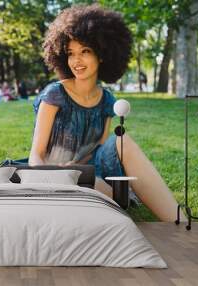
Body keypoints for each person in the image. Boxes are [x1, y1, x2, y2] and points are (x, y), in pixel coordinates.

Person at [29, 4, 185, 222]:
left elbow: (99, 150)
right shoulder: (54, 95)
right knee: (97, 190)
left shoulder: (107, 100)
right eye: (71, 53)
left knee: (122, 140)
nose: (76, 61)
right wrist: (55, 175)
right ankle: (118, 197)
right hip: (56, 174)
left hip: (91, 172)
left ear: (101, 54)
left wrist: (86, 170)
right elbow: (35, 155)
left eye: (85, 51)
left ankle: (181, 223)